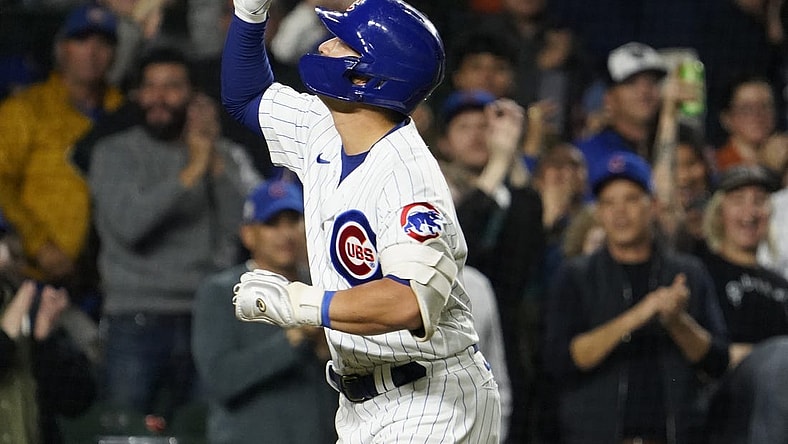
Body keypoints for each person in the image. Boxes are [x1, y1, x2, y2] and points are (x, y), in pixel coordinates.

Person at [221, 0, 501, 442]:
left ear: (363, 77)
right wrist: (250, 15)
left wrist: (301, 304)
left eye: (341, 42)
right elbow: (247, 97)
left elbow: (409, 300)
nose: (324, 43)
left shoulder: (409, 176)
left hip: (431, 399)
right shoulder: (327, 125)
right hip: (361, 402)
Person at [88, 46, 259, 425]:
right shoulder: (115, 153)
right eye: (150, 87)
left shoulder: (218, 154)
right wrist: (191, 170)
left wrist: (211, 159)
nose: (159, 97)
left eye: (172, 87)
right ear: (137, 94)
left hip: (206, 316)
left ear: (194, 97)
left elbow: (247, 230)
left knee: (206, 430)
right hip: (134, 320)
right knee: (125, 431)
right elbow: (130, 225)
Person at [541, 150, 730, 444]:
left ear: (652, 206)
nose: (620, 212)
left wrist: (677, 321)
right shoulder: (576, 275)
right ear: (599, 212)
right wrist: (640, 314)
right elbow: (563, 361)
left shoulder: (688, 272)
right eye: (608, 203)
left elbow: (717, 362)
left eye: (631, 199)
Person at [193, 180, 337, 444]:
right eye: (272, 223)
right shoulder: (222, 291)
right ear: (248, 234)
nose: (286, 234)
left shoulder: (323, 288)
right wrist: (295, 338)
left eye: (293, 220)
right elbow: (221, 379)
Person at [0, 4, 123, 309]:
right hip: (34, 276)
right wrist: (38, 244)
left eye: (104, 43)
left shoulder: (126, 112)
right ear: (62, 49)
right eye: (82, 40)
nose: (92, 52)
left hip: (109, 281)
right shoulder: (27, 109)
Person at [698, 164, 788, 444]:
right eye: (738, 201)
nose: (750, 213)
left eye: (759, 201)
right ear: (719, 212)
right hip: (724, 391)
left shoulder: (780, 282)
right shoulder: (701, 266)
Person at [0, 218, 97, 444]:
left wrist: (46, 343)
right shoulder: (17, 313)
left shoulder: (26, 305)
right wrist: (6, 337)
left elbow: (77, 402)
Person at [575, 42, 667, 171]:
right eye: (631, 83)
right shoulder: (587, 154)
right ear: (609, 99)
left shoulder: (680, 143)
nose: (645, 90)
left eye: (652, 81)